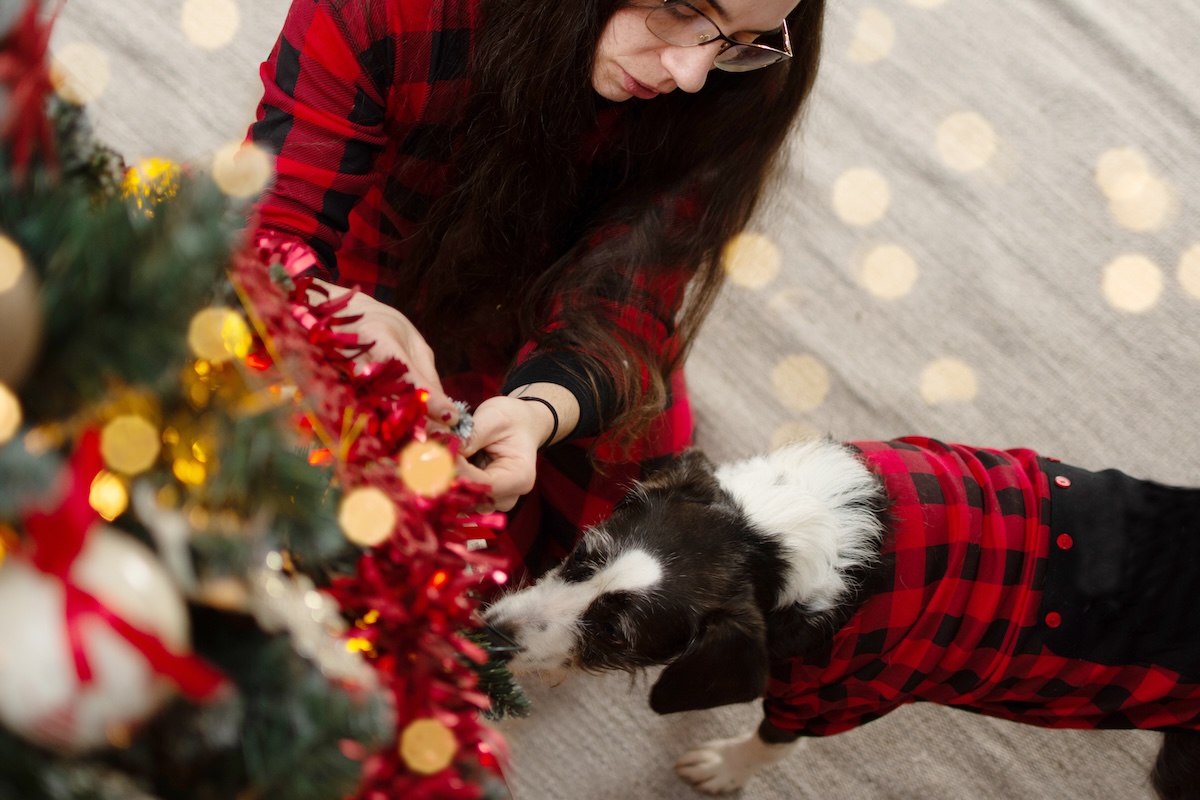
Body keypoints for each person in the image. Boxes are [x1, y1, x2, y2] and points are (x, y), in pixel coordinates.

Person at [247, 0, 826, 580]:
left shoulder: (741, 78)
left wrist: (536, 414)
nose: (691, 74)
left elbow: (629, 301)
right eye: (680, 8)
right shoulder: (387, 12)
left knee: (637, 545)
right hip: (369, 278)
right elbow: (275, 228)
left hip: (566, 323)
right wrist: (328, 309)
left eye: (740, 40)